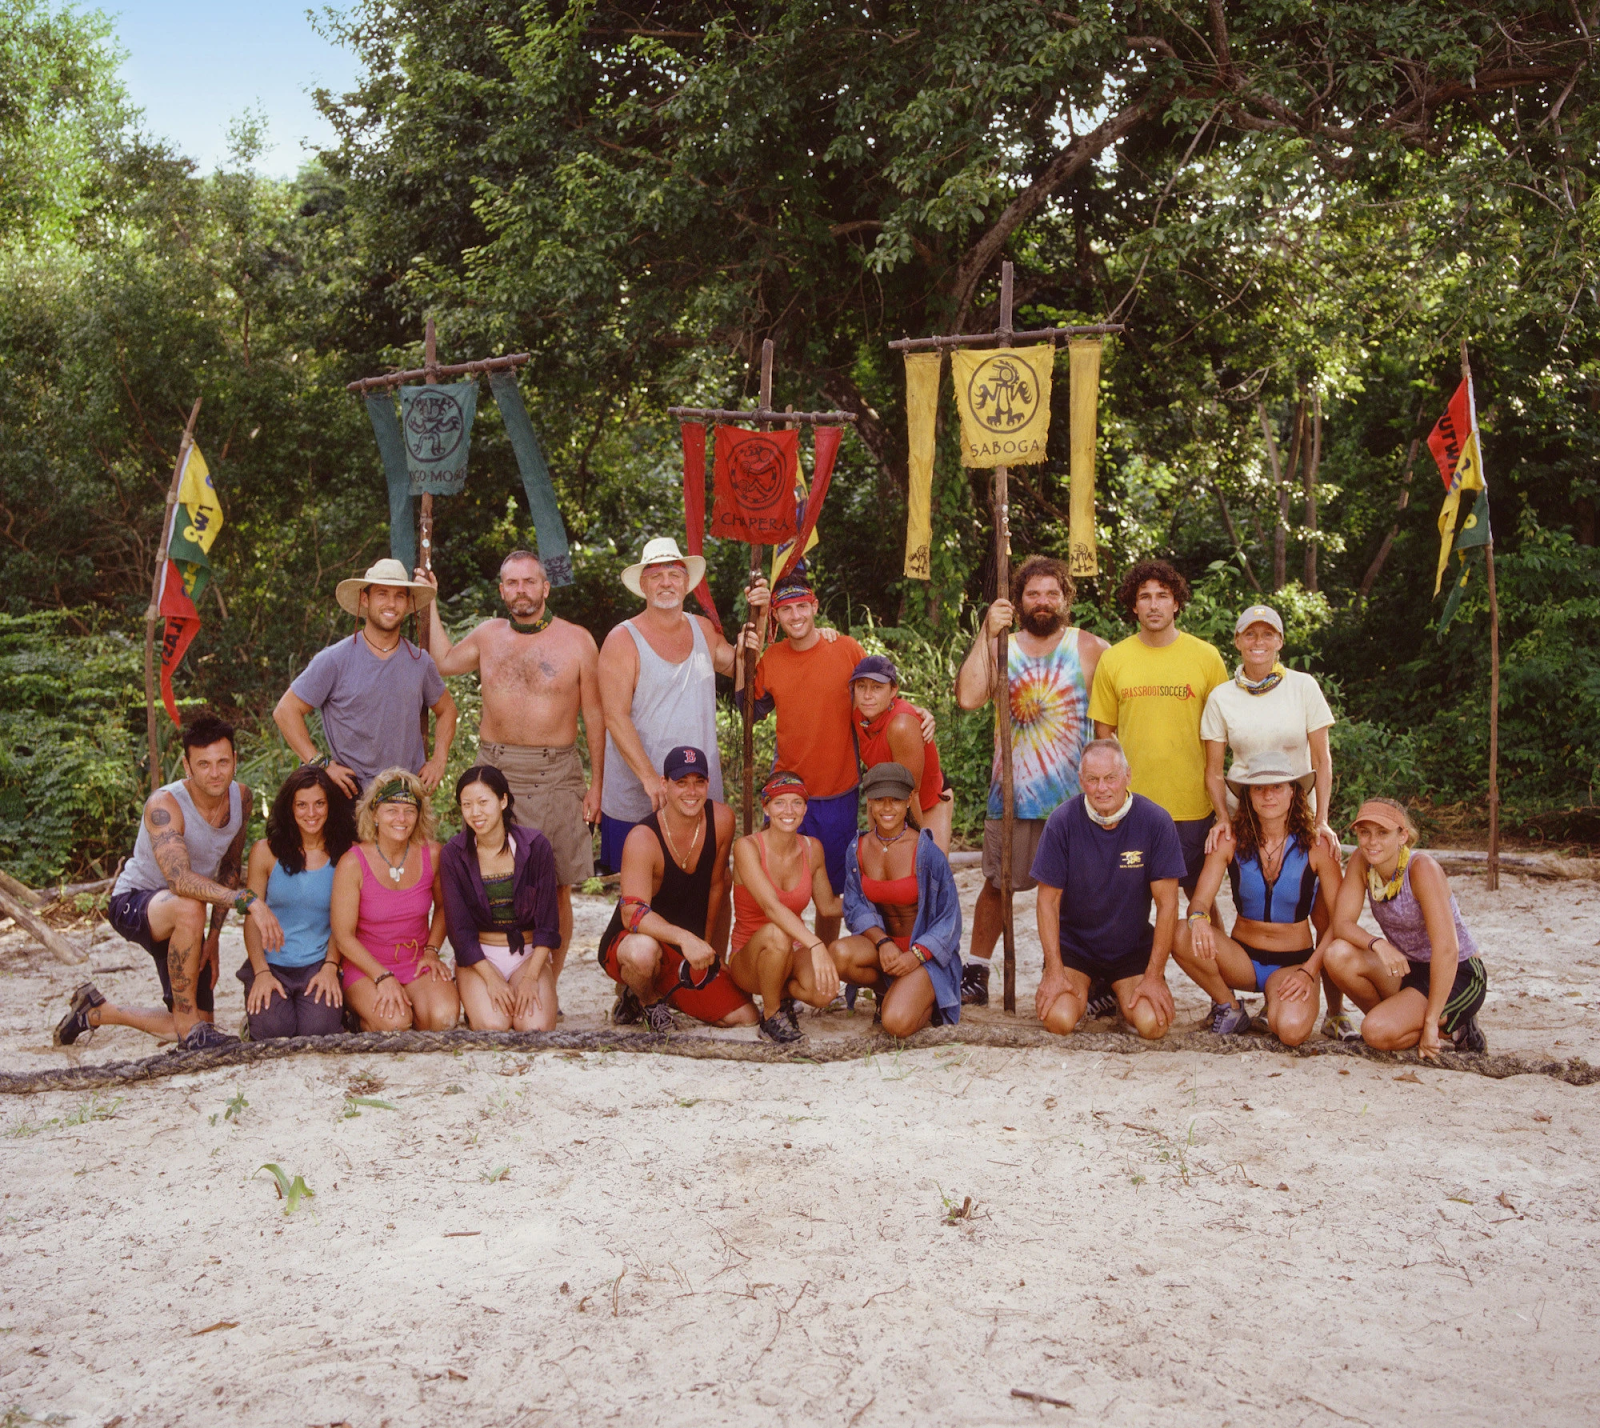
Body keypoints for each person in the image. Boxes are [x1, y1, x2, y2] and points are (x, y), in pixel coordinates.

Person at [418, 550, 602, 972]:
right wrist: (429, 600)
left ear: (545, 587)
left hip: (556, 774)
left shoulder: (578, 640)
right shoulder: (488, 635)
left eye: (529, 581)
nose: (522, 590)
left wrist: (597, 785)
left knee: (556, 886)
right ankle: (494, 971)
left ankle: (548, 981)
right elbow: (444, 662)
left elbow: (595, 716)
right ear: (502, 590)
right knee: (487, 874)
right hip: (494, 770)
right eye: (513, 583)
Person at [55, 715, 278, 1051]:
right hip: (136, 902)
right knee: (189, 906)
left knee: (203, 1020)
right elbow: (180, 881)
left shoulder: (241, 798)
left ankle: (96, 1011)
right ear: (187, 766)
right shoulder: (165, 804)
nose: (215, 773)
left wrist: (213, 937)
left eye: (222, 762)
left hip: (188, 915)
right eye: (203, 764)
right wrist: (247, 901)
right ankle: (190, 1033)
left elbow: (230, 866)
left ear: (235, 760)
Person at [953, 554, 1109, 1006]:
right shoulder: (1002, 647)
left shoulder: (1090, 648)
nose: (1042, 601)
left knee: (1076, 894)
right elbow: (968, 697)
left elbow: (1110, 725)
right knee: (997, 885)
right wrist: (987, 632)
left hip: (1076, 802)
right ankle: (977, 971)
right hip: (1013, 796)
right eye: (1033, 593)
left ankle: (1074, 969)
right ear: (1019, 600)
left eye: (1051, 593)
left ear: (1066, 598)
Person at [1200, 603, 1351, 1037]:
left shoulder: (1303, 687)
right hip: (1246, 805)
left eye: (1268, 634)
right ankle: (1236, 1002)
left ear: (1280, 641)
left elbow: (1322, 759)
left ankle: (1334, 1009)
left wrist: (1322, 820)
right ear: (1237, 641)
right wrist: (1222, 817)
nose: (1259, 641)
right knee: (1250, 893)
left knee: (1322, 911)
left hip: (1298, 805)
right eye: (1250, 633)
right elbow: (1214, 769)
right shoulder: (1222, 697)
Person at [1171, 761, 1344, 1046]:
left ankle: (1277, 1003)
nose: (1268, 795)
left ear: (1293, 792)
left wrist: (1309, 971)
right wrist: (1199, 919)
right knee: (1180, 932)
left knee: (1290, 1031)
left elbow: (1341, 921)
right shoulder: (1229, 840)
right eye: (1259, 789)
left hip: (1292, 963)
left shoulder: (1318, 846)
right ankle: (1230, 1006)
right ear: (1248, 796)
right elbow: (1199, 899)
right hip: (1241, 960)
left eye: (1277, 787)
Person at [597, 538, 742, 873]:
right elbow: (614, 717)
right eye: (656, 575)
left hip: (696, 789)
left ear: (686, 583)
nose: (666, 582)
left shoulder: (703, 629)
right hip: (640, 794)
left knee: (701, 883)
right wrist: (650, 778)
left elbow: (742, 669)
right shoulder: (622, 639)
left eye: (674, 574)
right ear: (643, 584)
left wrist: (758, 624)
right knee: (639, 890)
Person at [1089, 558, 1228, 895]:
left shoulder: (1206, 657)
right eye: (1145, 596)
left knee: (1198, 900)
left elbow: (1220, 734)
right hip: (1134, 805)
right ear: (1134, 606)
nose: (1154, 605)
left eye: (1162, 595)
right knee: (1130, 900)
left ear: (1176, 603)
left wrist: (1219, 801)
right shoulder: (1114, 659)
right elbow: (1103, 734)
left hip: (1192, 804)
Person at [1030, 739, 1185, 1039]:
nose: (1102, 788)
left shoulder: (1155, 821)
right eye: (1093, 779)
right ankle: (1088, 992)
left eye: (1110, 778)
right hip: (1075, 947)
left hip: (1131, 947)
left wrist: (1154, 976)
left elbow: (1168, 905)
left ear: (1128, 775)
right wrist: (1054, 971)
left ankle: (1117, 997)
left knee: (1152, 1024)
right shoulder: (1061, 822)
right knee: (1059, 1020)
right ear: (1081, 780)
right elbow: (1047, 902)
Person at [598, 745, 757, 1033]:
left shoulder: (722, 820)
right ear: (664, 784)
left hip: (682, 949)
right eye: (681, 782)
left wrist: (711, 950)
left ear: (708, 784)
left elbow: (717, 887)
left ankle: (660, 988)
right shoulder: (643, 838)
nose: (691, 791)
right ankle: (645, 999)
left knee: (745, 1015)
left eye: (699, 782)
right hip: (635, 941)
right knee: (642, 953)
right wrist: (685, 939)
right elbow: (632, 914)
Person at [273, 558, 457, 798]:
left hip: (404, 796)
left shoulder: (420, 662)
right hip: (351, 795)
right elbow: (286, 711)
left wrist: (439, 760)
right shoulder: (334, 659)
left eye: (399, 596)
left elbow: (447, 710)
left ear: (408, 603)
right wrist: (322, 764)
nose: (391, 603)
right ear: (364, 599)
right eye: (382, 594)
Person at [736, 571, 862, 921]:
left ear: (815, 606)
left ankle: (825, 955)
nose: (795, 616)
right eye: (786, 609)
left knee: (830, 894)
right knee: (773, 887)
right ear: (775, 615)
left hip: (838, 793)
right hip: (787, 793)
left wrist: (918, 715)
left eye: (802, 606)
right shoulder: (773, 659)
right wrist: (743, 658)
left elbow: (880, 700)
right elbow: (749, 712)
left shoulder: (846, 649)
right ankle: (779, 952)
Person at [1323, 798, 1489, 1057]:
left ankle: (1453, 1028)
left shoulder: (1422, 868)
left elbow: (1447, 949)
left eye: (1382, 832)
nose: (1372, 841)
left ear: (1402, 835)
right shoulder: (1362, 861)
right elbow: (1342, 924)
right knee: (1337, 954)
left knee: (1374, 1032)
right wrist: (1378, 944)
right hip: (1409, 966)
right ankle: (1395, 1025)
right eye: (1365, 832)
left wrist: (1431, 1021)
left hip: (1457, 971)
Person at [830, 763, 964, 1038]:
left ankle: (926, 999)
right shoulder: (858, 848)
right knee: (838, 954)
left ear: (909, 800)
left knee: (894, 1023)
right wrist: (882, 942)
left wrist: (916, 956)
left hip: (925, 955)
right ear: (870, 801)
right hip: (886, 950)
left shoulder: (927, 852)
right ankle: (893, 991)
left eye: (896, 800)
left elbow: (950, 920)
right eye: (880, 799)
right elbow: (854, 907)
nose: (887, 808)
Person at [330, 768, 459, 1032]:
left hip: (416, 960)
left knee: (443, 1018)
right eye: (391, 810)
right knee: (395, 1023)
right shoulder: (352, 862)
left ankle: (410, 1008)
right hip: (366, 966)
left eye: (409, 811)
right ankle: (358, 1016)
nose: (401, 819)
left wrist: (432, 950)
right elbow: (343, 936)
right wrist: (381, 975)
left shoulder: (433, 854)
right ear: (374, 814)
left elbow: (444, 908)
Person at [237, 766, 355, 1041]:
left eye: (319, 803)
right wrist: (261, 972)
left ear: (330, 805)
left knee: (319, 1030)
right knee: (273, 1032)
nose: (311, 813)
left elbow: (343, 921)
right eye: (301, 805)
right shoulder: (265, 852)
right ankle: (253, 1018)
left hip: (318, 962)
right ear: (289, 808)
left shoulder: (346, 854)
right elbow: (250, 914)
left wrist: (330, 966)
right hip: (272, 962)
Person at [441, 765, 562, 1033]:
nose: (475, 812)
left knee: (535, 1027)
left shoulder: (535, 846)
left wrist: (531, 977)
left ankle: (534, 987)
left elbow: (548, 924)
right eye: (467, 804)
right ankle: (473, 999)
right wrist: (491, 979)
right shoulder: (453, 854)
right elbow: (459, 931)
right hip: (480, 958)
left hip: (528, 956)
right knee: (493, 1026)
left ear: (503, 800)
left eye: (483, 802)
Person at [727, 771, 843, 1044]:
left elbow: (827, 906)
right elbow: (771, 907)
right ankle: (771, 1015)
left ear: (805, 808)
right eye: (779, 802)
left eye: (796, 803)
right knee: (776, 933)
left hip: (793, 950)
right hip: (750, 957)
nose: (788, 811)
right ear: (766, 808)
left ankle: (780, 993)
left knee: (824, 992)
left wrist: (873, 897)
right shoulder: (747, 847)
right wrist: (816, 944)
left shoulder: (812, 848)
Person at [849, 654, 953, 854]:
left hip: (926, 799)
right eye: (861, 686)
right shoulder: (859, 711)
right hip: (884, 797)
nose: (867, 695)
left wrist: (916, 852)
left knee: (925, 866)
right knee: (880, 859)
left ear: (893, 691)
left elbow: (911, 795)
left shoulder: (901, 726)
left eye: (877, 687)